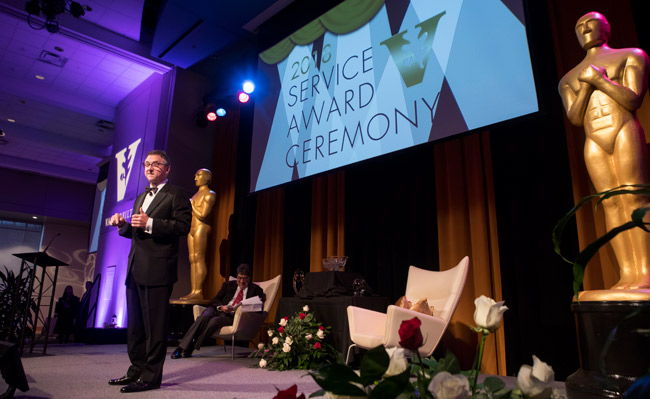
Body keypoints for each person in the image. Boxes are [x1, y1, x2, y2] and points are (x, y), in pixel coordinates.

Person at [559, 11, 650, 290]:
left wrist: (601, 81)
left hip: (623, 129)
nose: (586, 28)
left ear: (606, 27)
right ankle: (627, 273)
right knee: (609, 203)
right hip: (594, 139)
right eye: (579, 26)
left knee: (634, 197)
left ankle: (645, 272)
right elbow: (575, 117)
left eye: (591, 23)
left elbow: (633, 99)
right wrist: (588, 84)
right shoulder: (568, 78)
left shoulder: (631, 55)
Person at [108, 149, 191, 393]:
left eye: (156, 164)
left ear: (167, 169)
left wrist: (151, 223)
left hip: (158, 269)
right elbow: (136, 231)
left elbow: (183, 226)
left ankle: (151, 377)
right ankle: (135, 370)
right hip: (136, 267)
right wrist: (123, 225)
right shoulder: (141, 197)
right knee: (135, 326)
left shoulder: (176, 194)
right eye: (146, 164)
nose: (149, 167)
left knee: (155, 328)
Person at [171, 263, 265, 359]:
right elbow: (215, 299)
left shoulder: (256, 291)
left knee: (213, 322)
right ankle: (180, 348)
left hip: (232, 317)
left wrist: (257, 304)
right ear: (236, 276)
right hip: (217, 309)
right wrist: (222, 307)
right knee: (203, 317)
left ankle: (189, 348)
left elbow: (259, 311)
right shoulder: (228, 285)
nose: (241, 281)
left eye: (244, 278)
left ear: (249, 278)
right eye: (239, 278)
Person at [180, 169, 217, 301]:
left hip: (202, 227)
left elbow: (203, 214)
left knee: (199, 258)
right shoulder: (196, 195)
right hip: (192, 228)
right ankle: (193, 290)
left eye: (198, 175)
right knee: (192, 259)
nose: (195, 177)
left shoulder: (210, 194)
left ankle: (199, 291)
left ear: (207, 177)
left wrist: (191, 205)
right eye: (195, 175)